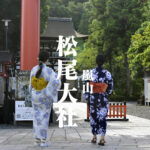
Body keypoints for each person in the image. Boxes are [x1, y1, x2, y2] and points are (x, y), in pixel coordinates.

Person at [29, 51, 61, 147]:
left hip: (35, 96)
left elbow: (30, 85)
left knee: (36, 117)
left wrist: (32, 93)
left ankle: (36, 140)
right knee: (44, 118)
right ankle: (43, 141)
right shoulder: (49, 71)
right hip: (44, 97)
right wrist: (59, 79)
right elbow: (55, 83)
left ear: (38, 58)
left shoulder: (33, 69)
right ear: (47, 60)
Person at [84, 54, 113, 146]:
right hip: (103, 99)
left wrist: (87, 97)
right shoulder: (107, 73)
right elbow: (110, 88)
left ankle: (94, 137)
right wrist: (105, 92)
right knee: (102, 118)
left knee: (93, 117)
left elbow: (85, 87)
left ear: (96, 62)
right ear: (104, 62)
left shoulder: (89, 73)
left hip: (93, 99)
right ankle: (102, 139)